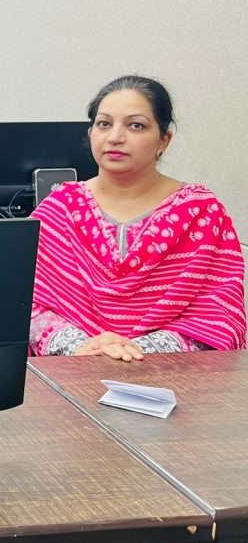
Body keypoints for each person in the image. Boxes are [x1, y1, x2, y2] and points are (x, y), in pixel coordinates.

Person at [30, 75, 245, 359]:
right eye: (104, 124)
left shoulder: (200, 213)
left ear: (164, 140)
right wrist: (80, 348)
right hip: (71, 374)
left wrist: (136, 351)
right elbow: (23, 302)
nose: (115, 137)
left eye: (135, 125)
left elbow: (219, 312)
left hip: (175, 382)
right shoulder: (60, 209)